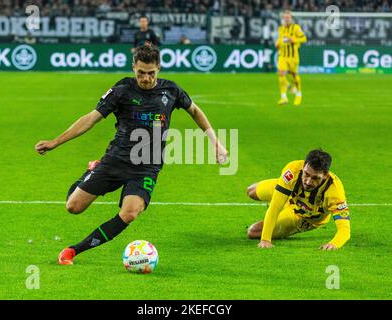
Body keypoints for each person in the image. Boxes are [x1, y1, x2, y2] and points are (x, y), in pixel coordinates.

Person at [35, 45, 228, 265]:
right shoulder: (122, 90)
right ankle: (91, 170)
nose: (146, 78)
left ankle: (72, 251)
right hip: (116, 160)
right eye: (141, 73)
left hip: (147, 167)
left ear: (159, 68)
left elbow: (194, 110)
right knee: (73, 207)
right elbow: (91, 118)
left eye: (151, 73)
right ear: (134, 67)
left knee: (130, 213)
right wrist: (56, 142)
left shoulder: (171, 91)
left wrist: (217, 143)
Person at [246, 149, 350, 250]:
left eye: (315, 178)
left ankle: (285, 207)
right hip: (290, 192)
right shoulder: (293, 170)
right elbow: (275, 207)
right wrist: (265, 240)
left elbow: (344, 229)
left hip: (302, 215)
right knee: (251, 191)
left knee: (253, 231)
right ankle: (284, 197)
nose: (308, 182)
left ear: (326, 175)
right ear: (304, 166)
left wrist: (334, 244)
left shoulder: (335, 193)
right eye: (306, 174)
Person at [275, 10, 307, 106]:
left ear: (291, 18)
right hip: (283, 56)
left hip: (293, 57)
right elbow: (281, 40)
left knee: (294, 76)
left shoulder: (296, 28)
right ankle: (283, 97)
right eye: (285, 18)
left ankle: (298, 94)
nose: (287, 19)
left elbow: (304, 39)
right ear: (283, 19)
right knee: (280, 73)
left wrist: (293, 40)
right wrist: (277, 43)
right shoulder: (281, 29)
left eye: (288, 17)